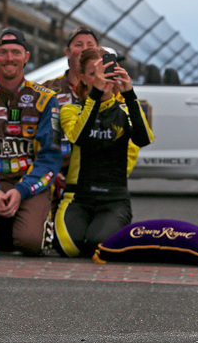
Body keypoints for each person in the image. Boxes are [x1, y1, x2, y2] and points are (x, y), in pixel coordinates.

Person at [0, 28, 61, 256]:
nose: (9, 58)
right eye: (3, 52)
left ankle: (18, 225)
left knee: (30, 242)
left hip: (30, 182)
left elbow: (50, 157)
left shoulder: (46, 99)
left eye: (16, 52)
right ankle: (0, 225)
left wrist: (22, 190)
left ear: (26, 57)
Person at [55, 47, 153, 257]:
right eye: (93, 73)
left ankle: (112, 224)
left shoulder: (126, 110)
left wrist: (129, 94)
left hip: (114, 199)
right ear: (82, 78)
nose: (101, 78)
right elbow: (79, 137)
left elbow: (143, 139)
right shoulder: (71, 110)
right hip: (77, 197)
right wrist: (95, 94)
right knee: (69, 248)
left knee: (98, 245)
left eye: (105, 72)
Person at [41, 26, 99, 208]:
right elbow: (32, 134)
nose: (84, 49)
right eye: (78, 44)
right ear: (67, 52)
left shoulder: (109, 90)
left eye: (90, 45)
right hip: (53, 173)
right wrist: (47, 171)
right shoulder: (47, 90)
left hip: (94, 176)